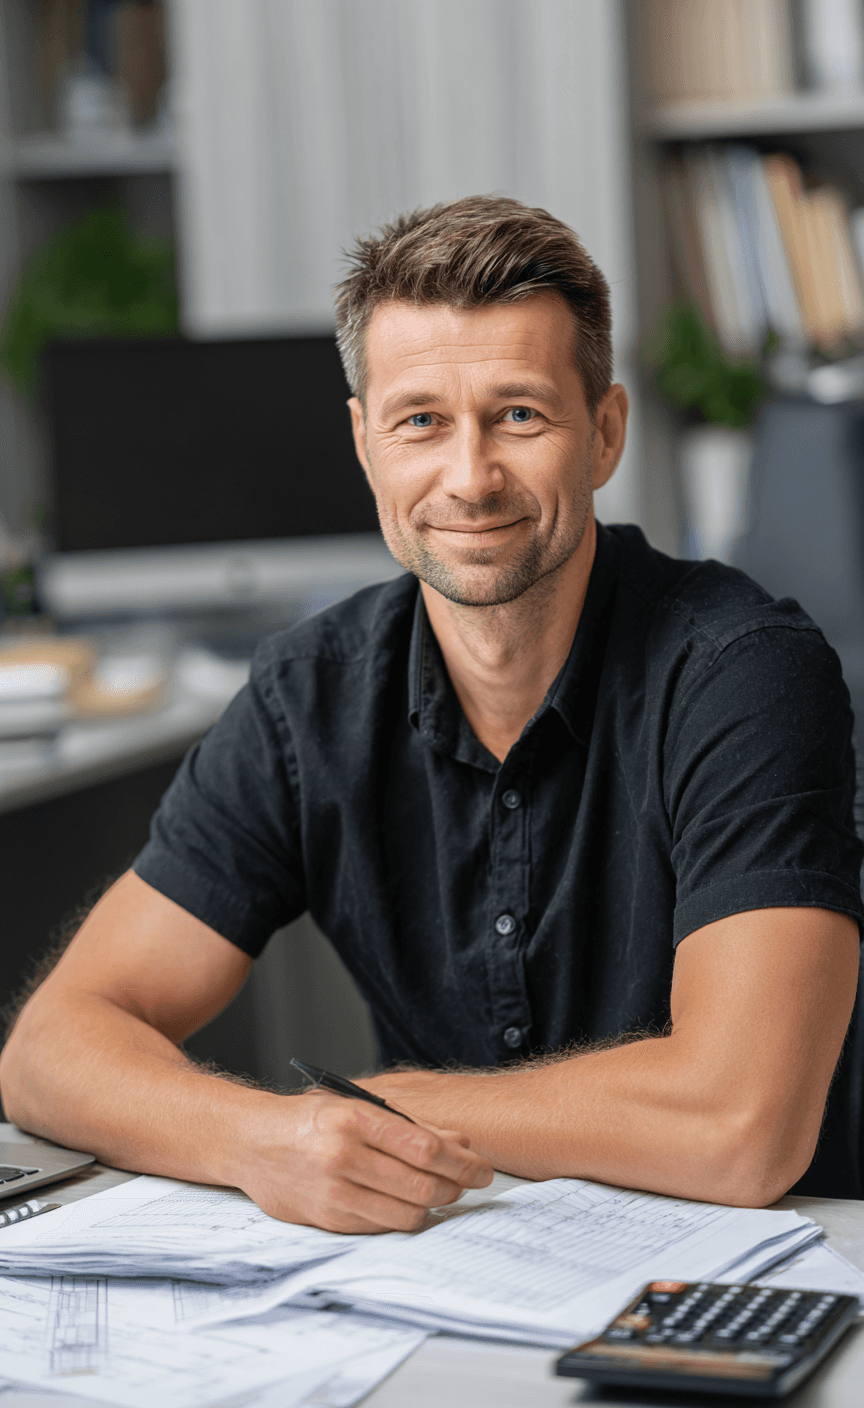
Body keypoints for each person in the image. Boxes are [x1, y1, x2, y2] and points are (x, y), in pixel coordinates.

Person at [2, 196, 862, 1230]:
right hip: (457, 1267)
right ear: (366, 444)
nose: (470, 477)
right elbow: (50, 1048)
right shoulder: (307, 698)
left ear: (605, 432)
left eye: (520, 414)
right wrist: (258, 1138)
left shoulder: (743, 672)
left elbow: (742, 1126)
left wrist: (385, 1107)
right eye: (420, 420)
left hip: (767, 1265)